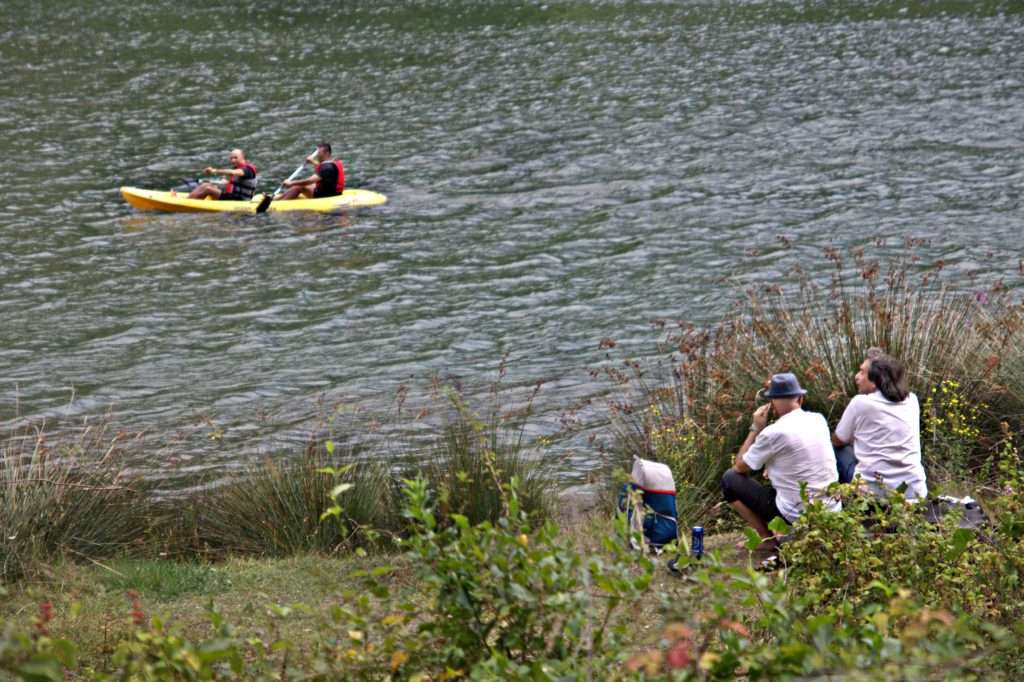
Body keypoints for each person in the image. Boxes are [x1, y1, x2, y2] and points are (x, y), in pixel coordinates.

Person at [721, 373, 840, 547]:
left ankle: (766, 538)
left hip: (796, 517)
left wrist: (755, 429)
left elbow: (740, 467)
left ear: (772, 402)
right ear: (800, 398)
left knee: (730, 479)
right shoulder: (818, 419)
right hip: (831, 511)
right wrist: (773, 465)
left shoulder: (773, 432)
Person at [832, 349, 927, 499]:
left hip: (874, 493)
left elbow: (838, 441)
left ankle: (833, 501)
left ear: (876, 380)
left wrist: (854, 439)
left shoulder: (860, 403)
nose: (857, 377)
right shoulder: (912, 400)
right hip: (915, 492)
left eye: (862, 372)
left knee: (836, 450)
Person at [276, 142, 345, 200]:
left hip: (327, 195)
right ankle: (278, 198)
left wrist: (291, 183)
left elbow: (310, 180)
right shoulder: (332, 162)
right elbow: (322, 169)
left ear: (326, 153)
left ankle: (280, 202)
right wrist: (312, 161)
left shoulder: (327, 167)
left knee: (299, 187)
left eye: (319, 153)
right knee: (310, 185)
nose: (317, 155)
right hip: (333, 191)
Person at [187, 149, 258, 201]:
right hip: (230, 196)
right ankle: (187, 200)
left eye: (235, 158)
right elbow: (227, 183)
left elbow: (233, 172)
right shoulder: (236, 168)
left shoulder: (248, 169)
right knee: (205, 185)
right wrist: (213, 184)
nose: (233, 160)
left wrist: (214, 171)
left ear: (242, 157)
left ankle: (188, 203)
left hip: (240, 200)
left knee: (208, 189)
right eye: (231, 158)